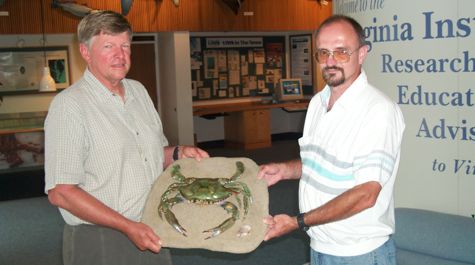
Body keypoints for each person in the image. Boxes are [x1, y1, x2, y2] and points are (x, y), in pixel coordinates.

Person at [44, 10, 208, 265]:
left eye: (125, 46)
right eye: (109, 46)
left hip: (151, 225)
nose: (120, 55)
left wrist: (177, 153)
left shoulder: (138, 91)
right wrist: (128, 226)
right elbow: (61, 192)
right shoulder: (69, 106)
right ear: (85, 52)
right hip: (101, 238)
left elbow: (150, 154)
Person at [258, 15, 405, 265]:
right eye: (323, 52)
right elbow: (320, 163)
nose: (330, 61)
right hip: (320, 246)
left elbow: (366, 194)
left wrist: (298, 221)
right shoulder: (318, 102)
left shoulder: (378, 110)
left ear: (362, 54)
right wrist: (285, 170)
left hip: (359, 254)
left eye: (342, 52)